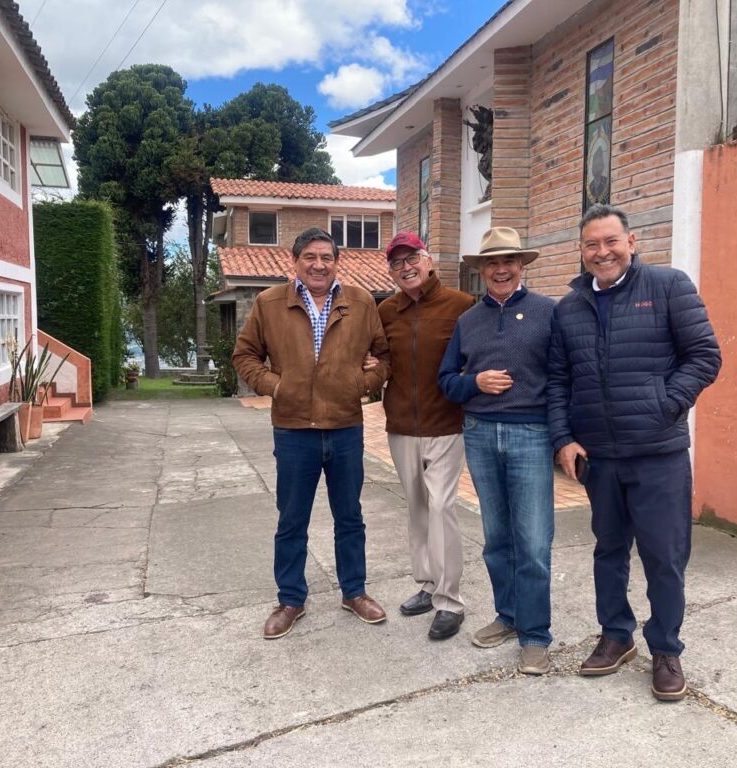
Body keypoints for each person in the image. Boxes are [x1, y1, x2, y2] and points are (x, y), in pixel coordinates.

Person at [547, 203, 722, 701]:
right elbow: (559, 379)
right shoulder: (569, 309)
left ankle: (665, 649)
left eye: (610, 241)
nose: (602, 252)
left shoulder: (668, 287)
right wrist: (563, 438)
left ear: (631, 242)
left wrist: (663, 405)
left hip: (658, 453)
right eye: (591, 244)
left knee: (664, 556)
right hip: (599, 457)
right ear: (581, 251)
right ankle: (616, 635)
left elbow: (704, 356)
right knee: (608, 550)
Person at [232, 227, 392, 640]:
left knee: (350, 516)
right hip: (293, 430)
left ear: (336, 262)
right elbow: (245, 355)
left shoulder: (361, 302)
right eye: (310, 257)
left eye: (326, 257)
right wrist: (276, 386)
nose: (319, 265)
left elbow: (384, 355)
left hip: (345, 427)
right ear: (296, 261)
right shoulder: (269, 303)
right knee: (291, 519)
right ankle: (290, 599)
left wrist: (362, 383)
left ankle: (354, 592)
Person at [437, 226, 557, 674]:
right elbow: (446, 381)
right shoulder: (468, 321)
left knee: (533, 541)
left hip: (531, 434)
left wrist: (562, 436)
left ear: (521, 266)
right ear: (482, 270)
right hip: (481, 433)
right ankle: (508, 616)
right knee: (497, 539)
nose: (501, 269)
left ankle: (535, 635)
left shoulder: (549, 312)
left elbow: (564, 378)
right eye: (492, 263)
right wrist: (475, 382)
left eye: (509, 261)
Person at [376, 232, 474, 640]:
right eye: (397, 263)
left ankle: (450, 601)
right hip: (401, 426)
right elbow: (379, 358)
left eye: (412, 258)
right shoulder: (386, 310)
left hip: (446, 424)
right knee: (417, 508)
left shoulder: (462, 305)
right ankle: (428, 585)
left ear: (428, 260)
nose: (406, 268)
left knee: (441, 507)